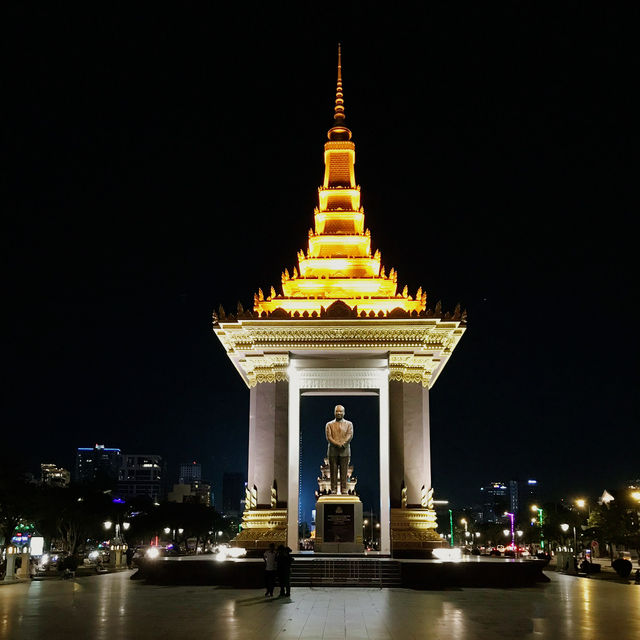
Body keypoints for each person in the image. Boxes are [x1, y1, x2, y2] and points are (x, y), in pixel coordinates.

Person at [325, 405, 353, 494]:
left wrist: (343, 444)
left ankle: (344, 489)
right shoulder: (329, 424)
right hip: (333, 451)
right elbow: (329, 437)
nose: (339, 413)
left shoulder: (349, 424)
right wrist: (337, 444)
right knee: (333, 472)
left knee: (344, 472)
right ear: (334, 412)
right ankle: (333, 489)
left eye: (341, 411)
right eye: (337, 411)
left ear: (344, 413)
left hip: (345, 451)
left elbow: (350, 435)